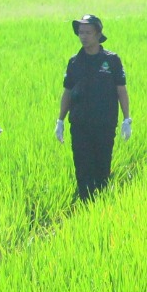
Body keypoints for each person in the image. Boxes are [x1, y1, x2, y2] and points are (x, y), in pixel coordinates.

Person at [56, 15, 130, 200]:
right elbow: (67, 92)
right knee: (82, 168)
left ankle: (102, 204)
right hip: (80, 124)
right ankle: (85, 203)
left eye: (88, 32)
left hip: (105, 124)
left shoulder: (112, 61)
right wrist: (60, 120)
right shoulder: (74, 62)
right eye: (81, 32)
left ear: (98, 34)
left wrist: (127, 118)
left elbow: (121, 90)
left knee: (102, 167)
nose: (83, 36)